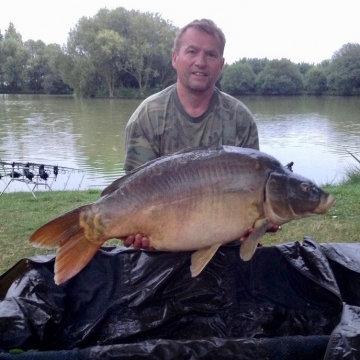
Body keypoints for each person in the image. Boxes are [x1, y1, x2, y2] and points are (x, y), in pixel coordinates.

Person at [122, 19, 275, 249]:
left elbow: (255, 189)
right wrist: (135, 230)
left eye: (211, 55)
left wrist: (263, 220)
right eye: (192, 51)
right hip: (163, 244)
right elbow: (134, 191)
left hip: (226, 245)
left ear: (221, 64)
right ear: (175, 58)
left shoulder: (239, 118)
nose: (200, 62)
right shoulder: (148, 115)